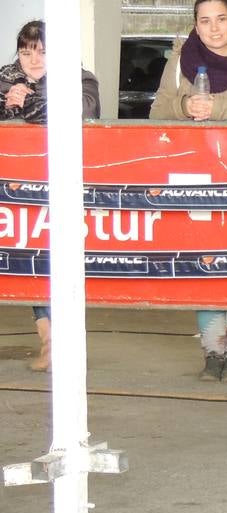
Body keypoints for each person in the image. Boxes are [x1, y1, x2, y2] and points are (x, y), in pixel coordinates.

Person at [150, 0, 227, 383]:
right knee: (205, 264)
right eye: (204, 21)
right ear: (195, 24)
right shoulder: (179, 62)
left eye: (221, 20)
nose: (213, 29)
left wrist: (218, 107)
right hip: (194, 174)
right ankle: (213, 352)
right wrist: (183, 105)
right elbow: (157, 112)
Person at [1, 20, 101, 374]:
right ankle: (49, 341)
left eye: (42, 51)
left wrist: (27, 103)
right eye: (27, 51)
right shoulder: (4, 79)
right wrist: (13, 107)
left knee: (56, 260)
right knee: (30, 261)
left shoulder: (81, 78)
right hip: (15, 191)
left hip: (66, 185)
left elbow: (81, 111)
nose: (33, 59)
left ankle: (58, 342)